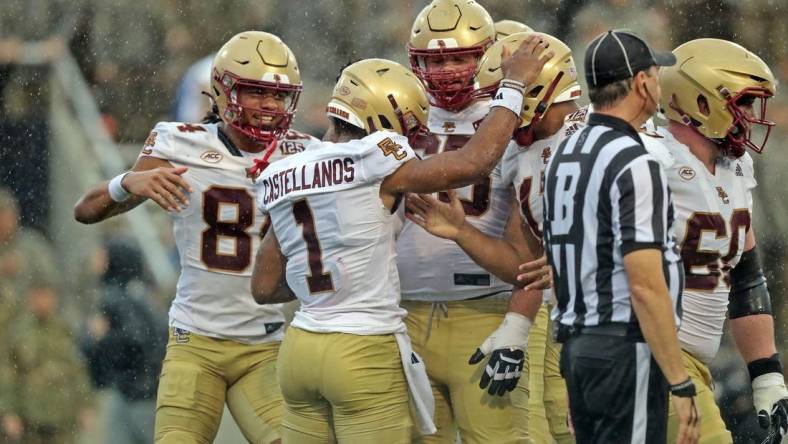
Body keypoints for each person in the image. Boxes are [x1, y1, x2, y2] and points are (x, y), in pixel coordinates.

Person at [250, 37, 553, 443]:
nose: (409, 139)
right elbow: (472, 163)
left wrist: (328, 276)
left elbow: (265, 288)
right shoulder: (375, 155)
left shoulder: (285, 170)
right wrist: (513, 86)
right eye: (407, 127)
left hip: (299, 348)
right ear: (383, 117)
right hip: (362, 348)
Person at [74, 31, 320, 444]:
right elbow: (85, 210)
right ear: (223, 93)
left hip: (265, 343)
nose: (269, 106)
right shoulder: (178, 142)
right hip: (196, 341)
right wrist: (129, 183)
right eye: (256, 93)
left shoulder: (306, 152)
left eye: (278, 96)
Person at [406, 31, 581, 443]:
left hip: (611, 319)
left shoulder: (598, 139)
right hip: (566, 314)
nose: (494, 113)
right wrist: (463, 231)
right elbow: (529, 264)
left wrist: (584, 264)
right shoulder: (526, 152)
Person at [543, 29, 698, 443]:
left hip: (578, 347)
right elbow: (645, 284)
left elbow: (564, 261)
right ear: (642, 82)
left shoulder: (567, 151)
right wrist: (680, 382)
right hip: (625, 344)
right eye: (655, 74)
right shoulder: (635, 160)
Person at [399, 2, 531, 441]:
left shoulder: (515, 116)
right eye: (435, 61)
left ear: (488, 54)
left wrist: (516, 322)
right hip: (404, 315)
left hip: (485, 309)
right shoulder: (394, 110)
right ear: (414, 63)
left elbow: (530, 250)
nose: (447, 71)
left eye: (459, 57)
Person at [655, 38, 787, 443]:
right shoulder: (651, 157)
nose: (750, 115)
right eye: (744, 103)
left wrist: (767, 376)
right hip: (647, 354)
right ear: (700, 100)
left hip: (692, 363)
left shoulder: (736, 166)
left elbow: (746, 277)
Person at [82, 237, 166, 444]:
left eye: (102, 255)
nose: (95, 260)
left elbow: (137, 341)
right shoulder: (142, 291)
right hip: (145, 391)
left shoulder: (118, 295)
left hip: (134, 395)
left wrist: (100, 337)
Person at [1, 279, 94, 444]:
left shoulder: (63, 329)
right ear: (31, 298)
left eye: (48, 297)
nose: (44, 302)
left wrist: (85, 404)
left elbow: (77, 368)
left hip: (62, 415)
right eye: (39, 297)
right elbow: (8, 374)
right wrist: (9, 412)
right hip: (30, 416)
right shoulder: (17, 331)